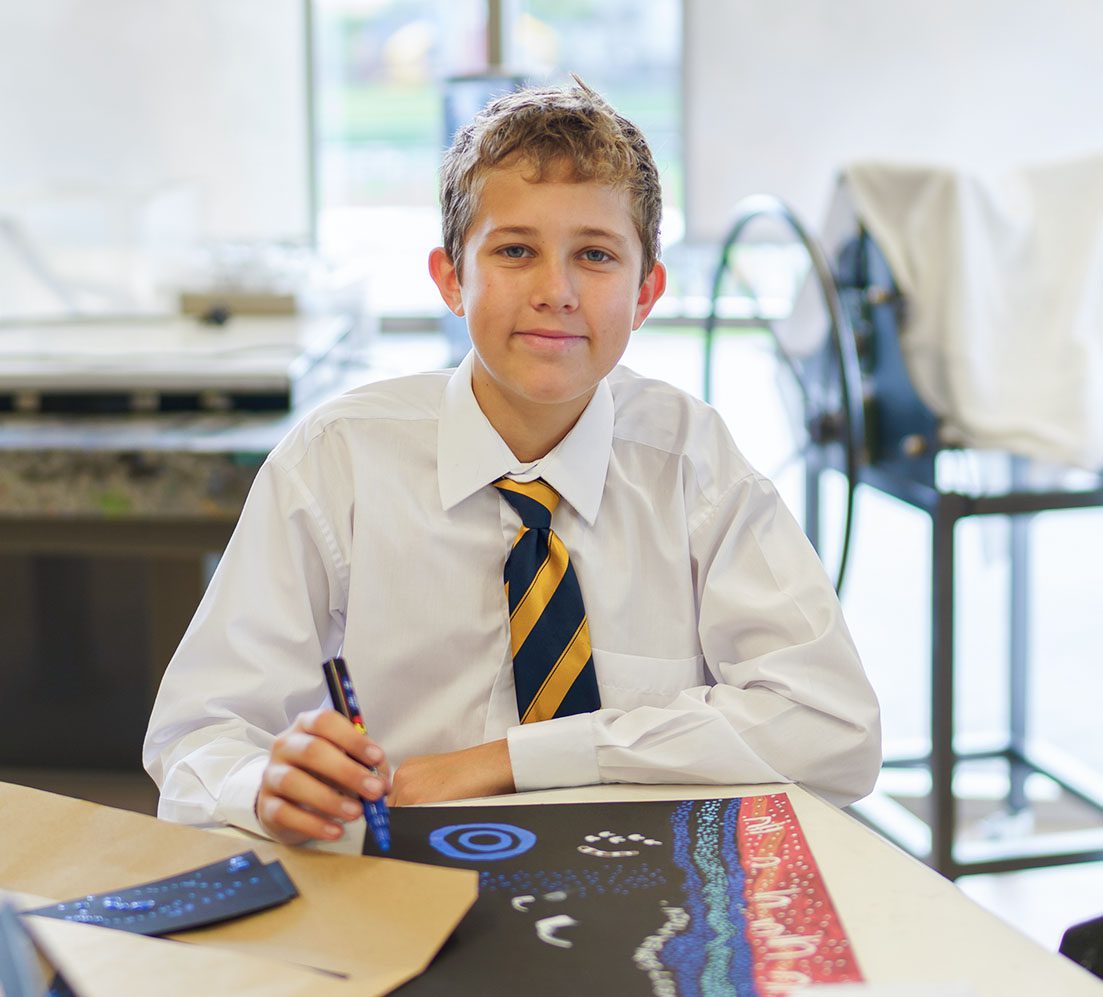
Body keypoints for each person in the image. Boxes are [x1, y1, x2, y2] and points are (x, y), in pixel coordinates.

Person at [144, 79, 881, 846]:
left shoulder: (691, 463)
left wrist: (508, 761)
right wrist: (261, 782)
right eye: (515, 251)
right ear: (451, 278)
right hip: (395, 878)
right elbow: (195, 736)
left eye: (594, 255)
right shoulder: (336, 461)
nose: (554, 291)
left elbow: (832, 726)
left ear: (646, 292)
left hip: (645, 885)